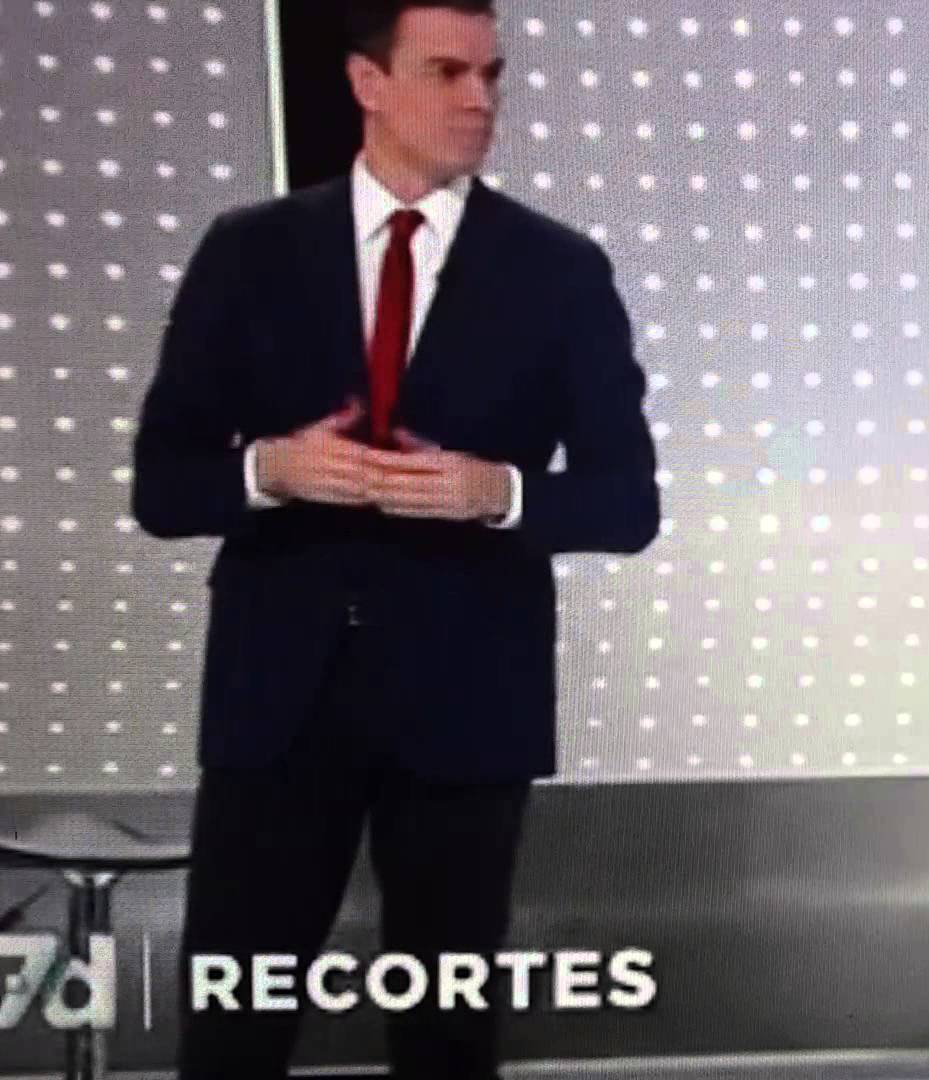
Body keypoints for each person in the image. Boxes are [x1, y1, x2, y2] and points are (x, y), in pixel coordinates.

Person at [131, 0, 660, 1074]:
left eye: (492, 75)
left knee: (447, 1039)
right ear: (368, 84)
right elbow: (163, 486)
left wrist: (499, 492)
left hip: (468, 707)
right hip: (280, 705)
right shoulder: (249, 252)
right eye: (447, 72)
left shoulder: (558, 271)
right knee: (233, 1031)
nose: (480, 100)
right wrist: (266, 472)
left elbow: (626, 503)